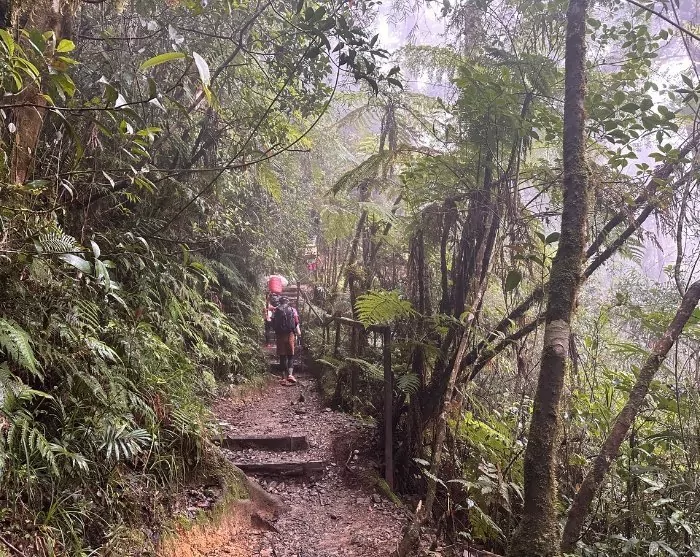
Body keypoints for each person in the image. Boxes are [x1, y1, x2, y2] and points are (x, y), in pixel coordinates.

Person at [272, 296, 300, 384]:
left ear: (280, 302)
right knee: (290, 355)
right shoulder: (292, 310)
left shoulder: (276, 310)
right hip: (290, 334)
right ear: (287, 302)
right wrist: (298, 332)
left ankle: (283, 377)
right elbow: (296, 322)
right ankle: (290, 375)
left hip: (280, 335)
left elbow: (272, 322)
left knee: (282, 356)